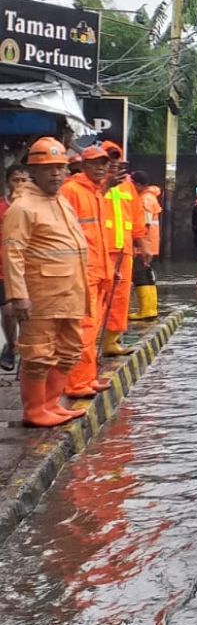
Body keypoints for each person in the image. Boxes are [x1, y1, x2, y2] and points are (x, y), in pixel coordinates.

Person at [2, 137, 90, 427]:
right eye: (48, 168)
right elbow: (12, 252)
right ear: (34, 171)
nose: (55, 173)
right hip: (40, 294)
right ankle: (35, 410)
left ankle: (52, 404)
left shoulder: (61, 201)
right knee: (38, 354)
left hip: (71, 292)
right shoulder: (23, 207)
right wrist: (18, 295)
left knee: (69, 349)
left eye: (59, 167)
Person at [59, 146, 116, 398]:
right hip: (83, 273)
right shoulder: (72, 191)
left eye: (103, 163)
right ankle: (77, 383)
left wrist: (110, 269)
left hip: (99, 271)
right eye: (95, 163)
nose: (101, 167)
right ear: (83, 165)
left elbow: (100, 236)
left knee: (92, 329)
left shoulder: (96, 193)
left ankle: (87, 378)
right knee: (84, 329)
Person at [99, 141, 148, 357]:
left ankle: (111, 340)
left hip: (124, 251)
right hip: (101, 249)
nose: (115, 167)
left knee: (119, 298)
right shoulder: (94, 185)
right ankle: (92, 342)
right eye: (110, 162)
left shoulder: (128, 186)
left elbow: (136, 218)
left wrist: (142, 244)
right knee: (98, 298)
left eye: (118, 163)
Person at [0, 164, 30, 371]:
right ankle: (10, 347)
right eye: (15, 180)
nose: (19, 185)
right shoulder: (2, 207)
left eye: (24, 180)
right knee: (9, 311)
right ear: (8, 183)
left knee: (28, 314)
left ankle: (27, 351)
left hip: (29, 269)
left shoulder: (34, 209)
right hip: (3, 269)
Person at [130, 171, 161, 321]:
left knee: (140, 275)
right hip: (150, 244)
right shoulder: (150, 197)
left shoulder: (144, 199)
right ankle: (151, 309)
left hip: (144, 245)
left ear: (139, 185)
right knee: (147, 275)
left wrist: (139, 242)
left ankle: (146, 310)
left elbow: (145, 223)